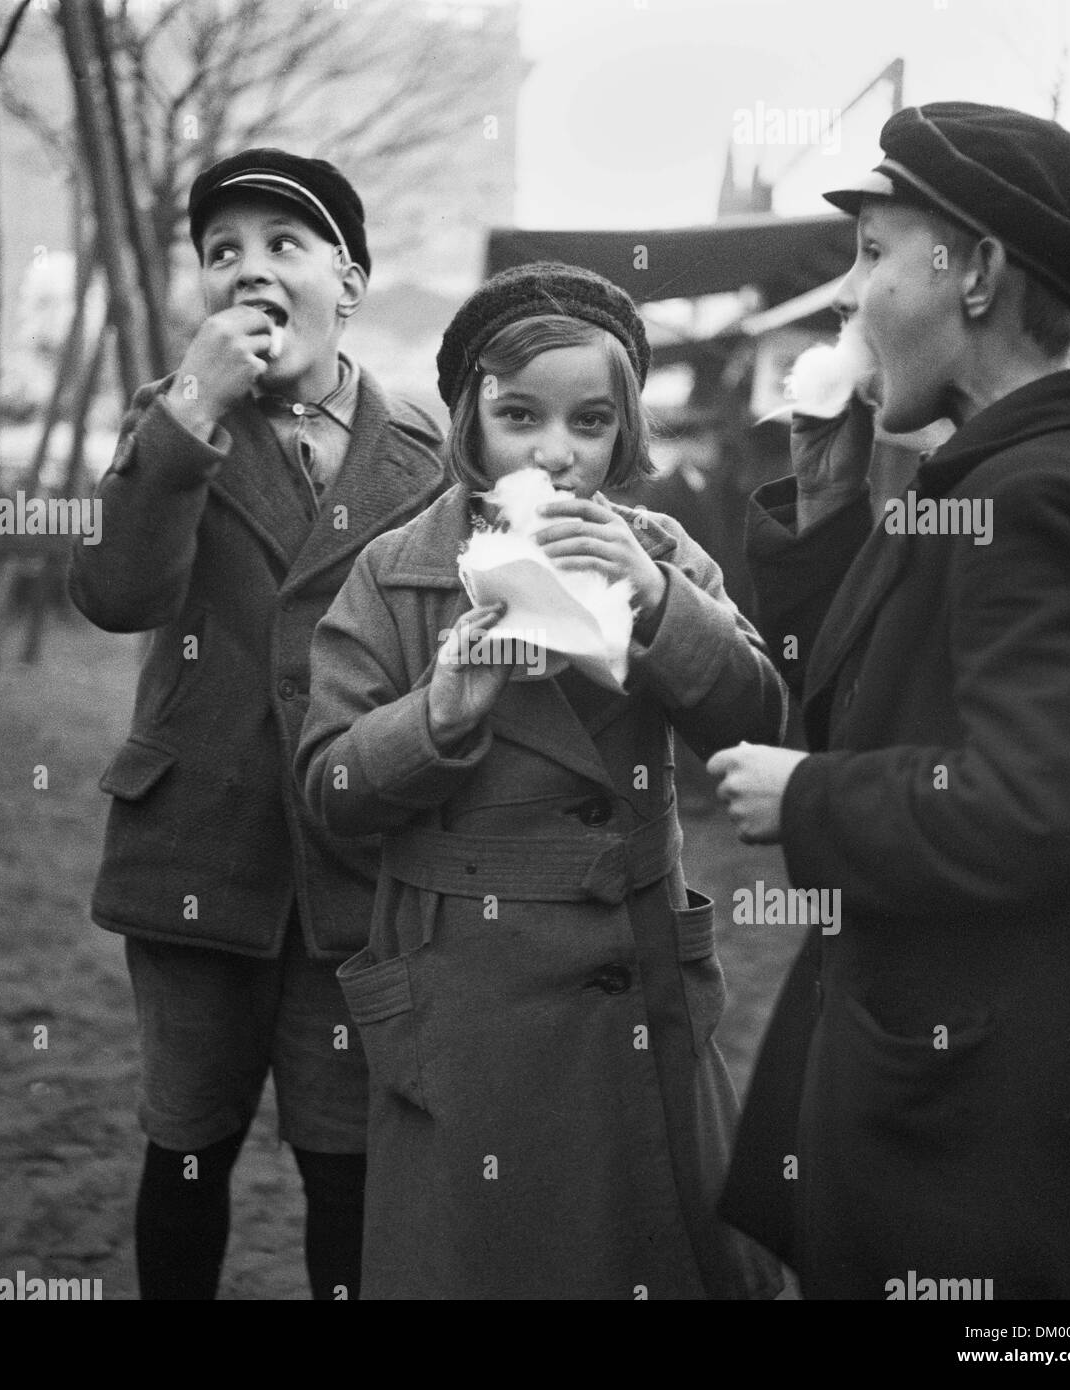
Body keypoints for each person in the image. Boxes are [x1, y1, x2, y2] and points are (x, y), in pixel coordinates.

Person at [709, 102, 1070, 1299]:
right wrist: (827, 503)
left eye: (872, 254)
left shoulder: (1038, 490)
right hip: (939, 1088)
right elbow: (882, 693)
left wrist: (809, 796)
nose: (845, 299)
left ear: (979, 274)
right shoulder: (984, 470)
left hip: (979, 1137)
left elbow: (1043, 802)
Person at [295, 262, 787, 1298]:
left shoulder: (658, 553)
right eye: (520, 415)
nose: (554, 453)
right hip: (466, 1002)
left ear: (622, 437)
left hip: (634, 983)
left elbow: (755, 720)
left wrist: (655, 603)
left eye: (589, 421)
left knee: (645, 1251)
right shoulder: (393, 574)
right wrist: (441, 712)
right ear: (470, 423)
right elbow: (330, 800)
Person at [68, 148, 445, 1300]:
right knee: (186, 1146)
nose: (250, 269)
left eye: (284, 245)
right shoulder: (171, 427)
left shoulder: (423, 455)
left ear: (351, 282)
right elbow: (115, 595)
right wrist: (191, 408)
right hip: (195, 846)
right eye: (223, 252)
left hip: (354, 864)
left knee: (349, 1163)